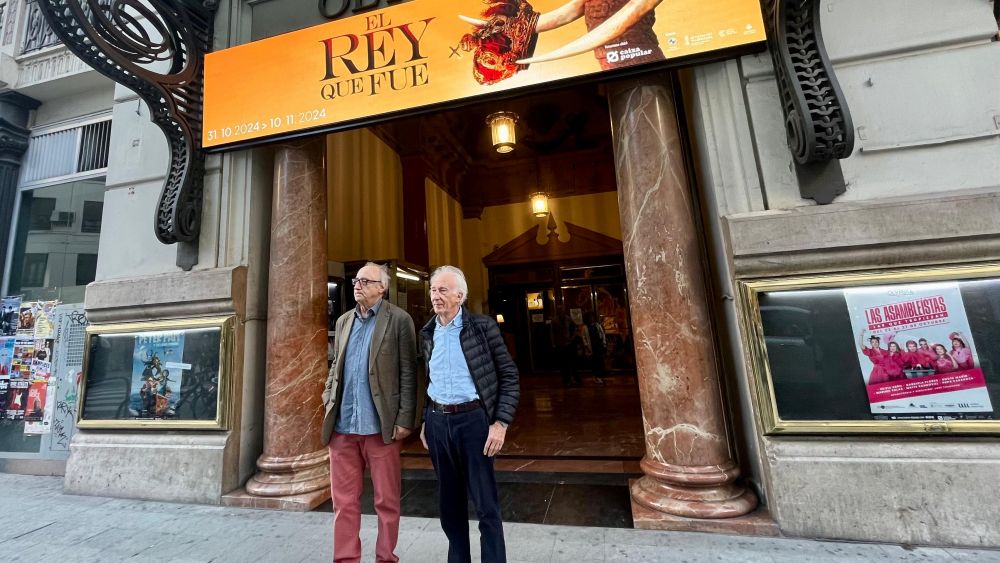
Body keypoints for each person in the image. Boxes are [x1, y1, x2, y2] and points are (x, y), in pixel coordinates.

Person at [419, 265, 519, 563]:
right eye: (433, 289)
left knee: (485, 504)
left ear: (460, 296)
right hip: (438, 423)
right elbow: (428, 379)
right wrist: (426, 419)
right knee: (449, 505)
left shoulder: (482, 327)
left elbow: (509, 376)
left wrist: (500, 423)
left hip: (474, 422)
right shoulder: (427, 332)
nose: (436, 296)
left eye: (443, 290)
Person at [321, 262, 418, 563]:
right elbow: (334, 367)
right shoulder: (343, 321)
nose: (357, 285)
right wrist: (328, 398)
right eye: (355, 280)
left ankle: (385, 557)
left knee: (386, 501)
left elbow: (409, 373)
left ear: (382, 287)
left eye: (365, 280)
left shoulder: (399, 320)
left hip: (381, 428)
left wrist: (405, 419)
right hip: (343, 427)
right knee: (344, 502)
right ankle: (346, 558)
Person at [551, 309, 580, 387]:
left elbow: (575, 328)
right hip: (560, 343)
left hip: (568, 343)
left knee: (571, 362)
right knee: (563, 363)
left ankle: (574, 378)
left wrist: (572, 338)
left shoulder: (568, 319)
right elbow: (552, 332)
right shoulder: (555, 320)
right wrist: (554, 343)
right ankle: (566, 379)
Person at [579, 312, 606, 385]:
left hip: (598, 345)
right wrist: (586, 346)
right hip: (592, 346)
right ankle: (596, 376)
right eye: (590, 318)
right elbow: (583, 337)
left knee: (600, 361)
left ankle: (599, 376)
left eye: (592, 317)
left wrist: (603, 343)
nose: (591, 319)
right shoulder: (585, 327)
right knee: (594, 362)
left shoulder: (597, 325)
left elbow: (602, 334)